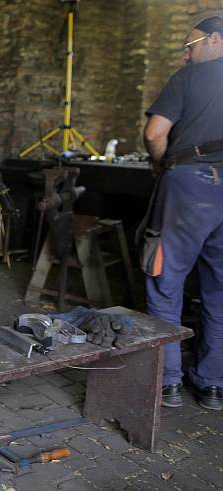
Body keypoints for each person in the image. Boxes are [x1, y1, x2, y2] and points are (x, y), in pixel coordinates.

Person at [142, 16, 223, 411]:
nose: (187, 54)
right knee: (220, 292)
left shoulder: (186, 80)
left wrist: (161, 166)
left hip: (189, 186)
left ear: (215, 38)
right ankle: (211, 386)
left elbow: (155, 134)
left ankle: (168, 381)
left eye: (191, 45)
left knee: (166, 280)